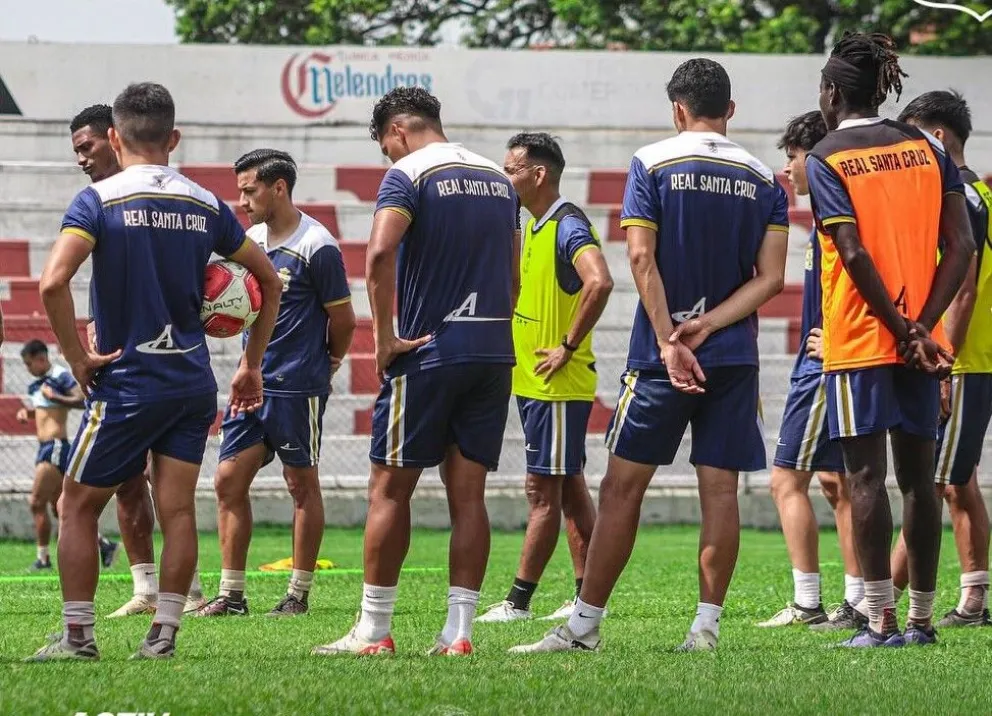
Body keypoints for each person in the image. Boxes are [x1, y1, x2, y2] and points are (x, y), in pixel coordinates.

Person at [511, 58, 789, 653]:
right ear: (730, 111)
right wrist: (708, 326)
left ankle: (584, 627)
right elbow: (771, 279)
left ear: (678, 110)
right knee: (719, 491)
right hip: (732, 355)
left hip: (659, 358)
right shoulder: (766, 178)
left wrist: (670, 338)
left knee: (620, 489)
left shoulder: (651, 161)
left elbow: (640, 259)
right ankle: (706, 628)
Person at [26, 82, 282, 661]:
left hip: (127, 384)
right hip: (191, 382)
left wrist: (76, 359)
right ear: (174, 137)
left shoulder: (98, 200)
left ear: (114, 137)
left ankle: (77, 637)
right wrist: (251, 366)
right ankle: (163, 636)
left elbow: (51, 283)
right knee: (179, 510)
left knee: (75, 504)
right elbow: (269, 280)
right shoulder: (207, 203)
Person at [311, 87, 519, 657]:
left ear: (398, 130)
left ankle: (373, 631)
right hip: (493, 350)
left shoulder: (409, 175)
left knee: (389, 490)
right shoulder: (498, 179)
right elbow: (513, 271)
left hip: (429, 351)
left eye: (385, 147)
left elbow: (379, 255)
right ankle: (459, 634)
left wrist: (383, 339)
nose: (387, 158)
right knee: (468, 497)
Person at [805, 33, 974, 648]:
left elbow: (851, 251)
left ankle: (878, 621)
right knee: (919, 478)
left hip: (861, 339)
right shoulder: (928, 149)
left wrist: (902, 328)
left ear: (831, 91)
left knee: (865, 481)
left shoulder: (828, 155)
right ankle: (923, 620)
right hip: (921, 346)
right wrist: (925, 327)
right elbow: (962, 246)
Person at [198, 149, 355, 617]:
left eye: (249, 190)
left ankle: (298, 593)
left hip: (297, 386)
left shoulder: (317, 244)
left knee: (300, 483)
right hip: (251, 387)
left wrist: (329, 363)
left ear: (279, 188)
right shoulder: (249, 241)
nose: (241, 199)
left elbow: (343, 319)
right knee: (228, 480)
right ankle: (232, 595)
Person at [69, 103, 206, 617]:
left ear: (114, 137)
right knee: (128, 483)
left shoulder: (166, 199)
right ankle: (149, 592)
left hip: (146, 371)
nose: (83, 158)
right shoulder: (101, 203)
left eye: (88, 146)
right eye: (76, 151)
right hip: (133, 361)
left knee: (146, 488)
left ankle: (183, 589)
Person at [476, 133, 611, 624]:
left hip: (557, 385)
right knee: (570, 488)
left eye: (511, 169)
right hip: (537, 384)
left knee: (542, 491)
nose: (504, 177)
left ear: (538, 175)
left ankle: (518, 602)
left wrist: (567, 346)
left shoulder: (568, 224)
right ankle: (585, 595)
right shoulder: (536, 226)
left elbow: (600, 279)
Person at [756, 111, 866, 631]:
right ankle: (858, 599)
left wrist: (839, 337)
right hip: (827, 356)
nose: (788, 169)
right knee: (834, 481)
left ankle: (807, 602)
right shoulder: (830, 213)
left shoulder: (833, 214)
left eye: (793, 157)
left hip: (824, 363)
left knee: (785, 480)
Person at [888, 90, 992, 627]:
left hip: (966, 358)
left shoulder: (964, 199)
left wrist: (945, 361)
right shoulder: (978, 196)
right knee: (959, 478)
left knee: (926, 482)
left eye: (915, 137)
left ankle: (876, 603)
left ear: (938, 137)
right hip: (974, 356)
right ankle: (974, 596)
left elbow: (966, 287)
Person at [16, 340, 88, 570]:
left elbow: (81, 400)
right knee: (60, 508)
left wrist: (56, 397)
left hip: (55, 446)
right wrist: (27, 413)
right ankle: (103, 545)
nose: (28, 369)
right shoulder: (36, 385)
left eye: (29, 364)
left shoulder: (59, 376)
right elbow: (44, 412)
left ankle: (43, 559)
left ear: (41, 358)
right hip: (45, 447)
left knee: (36, 502)